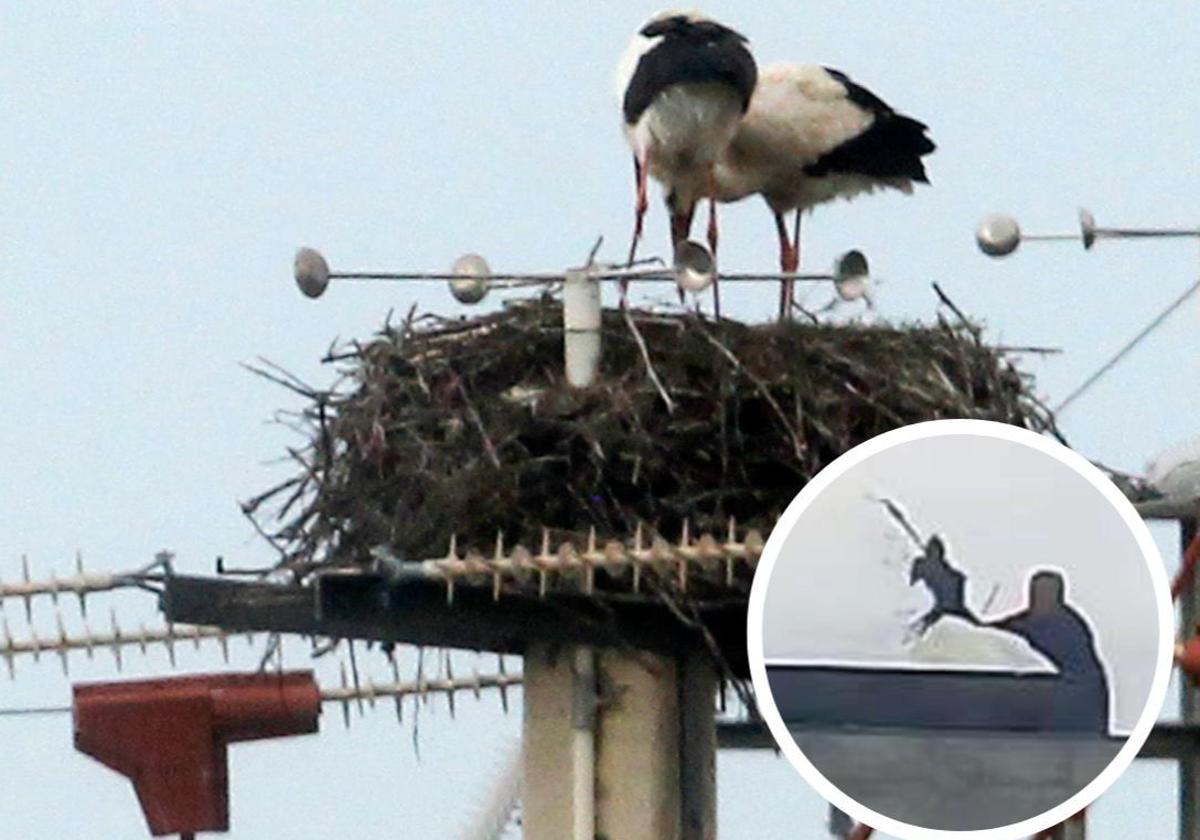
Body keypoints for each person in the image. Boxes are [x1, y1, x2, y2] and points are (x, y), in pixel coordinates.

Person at [983, 569, 1110, 732]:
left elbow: (1027, 631)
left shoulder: (1067, 625)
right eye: (1036, 592)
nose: (1040, 597)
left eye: (1046, 592)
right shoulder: (1029, 619)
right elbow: (1008, 626)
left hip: (1077, 701)